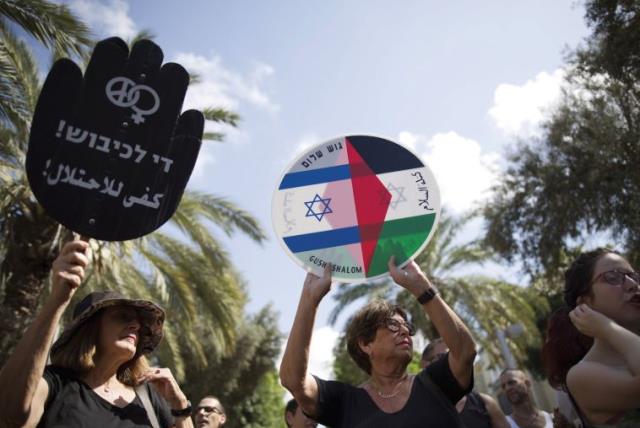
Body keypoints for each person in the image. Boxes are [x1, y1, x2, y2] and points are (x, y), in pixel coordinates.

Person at [0, 240, 193, 428]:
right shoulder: (56, 384)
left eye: (140, 323)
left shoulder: (148, 398)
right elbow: (9, 415)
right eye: (123, 316)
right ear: (90, 328)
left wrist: (180, 404)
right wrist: (58, 299)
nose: (136, 325)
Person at [279, 257, 477, 427]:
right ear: (366, 344)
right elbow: (293, 381)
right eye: (392, 324)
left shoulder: (435, 383)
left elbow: (465, 351)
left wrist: (421, 286)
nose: (405, 331)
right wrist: (309, 300)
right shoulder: (345, 403)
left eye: (407, 327)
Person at [542, 248, 640, 427]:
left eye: (634, 276)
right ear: (585, 304)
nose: (633, 284)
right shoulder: (582, 375)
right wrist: (608, 329)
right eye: (613, 277)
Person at [422, 338, 509, 428]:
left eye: (453, 356)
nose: (451, 362)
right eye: (443, 356)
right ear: (425, 365)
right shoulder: (418, 410)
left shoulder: (484, 403)